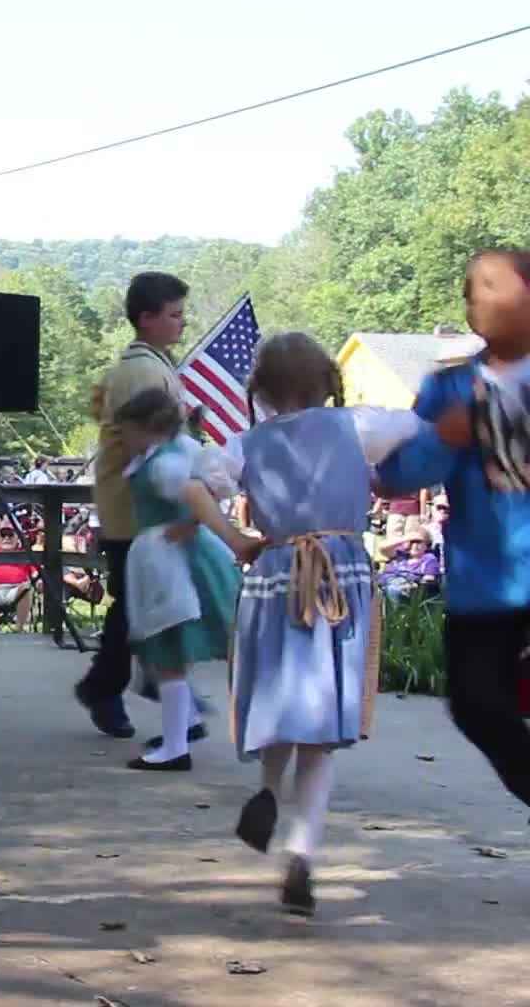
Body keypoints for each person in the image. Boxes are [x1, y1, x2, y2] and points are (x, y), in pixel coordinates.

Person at [203, 331, 415, 914]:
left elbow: (196, 484)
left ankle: (268, 790)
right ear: (326, 381)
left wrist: (235, 538)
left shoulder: (244, 444)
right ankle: (303, 849)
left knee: (278, 701)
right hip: (340, 576)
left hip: (273, 574)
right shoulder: (358, 427)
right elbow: (416, 425)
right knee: (321, 722)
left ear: (262, 390)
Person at [375, 248, 530, 818]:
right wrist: (443, 437)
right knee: (474, 704)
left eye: (493, 284)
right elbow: (397, 475)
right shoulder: (448, 389)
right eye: (470, 288)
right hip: (483, 580)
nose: (477, 298)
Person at [74, 272, 190, 740]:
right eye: (174, 314)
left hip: (136, 504)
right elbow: (152, 438)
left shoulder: (147, 367)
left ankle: (156, 687)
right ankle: (110, 684)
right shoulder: (143, 372)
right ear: (146, 318)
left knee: (143, 599)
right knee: (138, 601)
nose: (182, 323)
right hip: (135, 506)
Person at [113, 388, 246, 772]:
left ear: (148, 429)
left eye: (127, 431)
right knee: (165, 655)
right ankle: (184, 725)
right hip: (169, 557)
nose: (123, 440)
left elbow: (202, 493)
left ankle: (175, 746)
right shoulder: (176, 452)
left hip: (166, 563)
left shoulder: (162, 466)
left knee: (166, 654)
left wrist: (191, 522)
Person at [378, 535, 441, 602]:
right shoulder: (400, 554)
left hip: (406, 588)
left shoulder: (429, 559)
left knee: (392, 589)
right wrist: (404, 539)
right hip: (384, 584)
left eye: (418, 542)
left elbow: (429, 580)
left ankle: (398, 611)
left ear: (426, 546)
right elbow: (382, 548)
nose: (415, 545)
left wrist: (413, 585)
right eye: (412, 542)